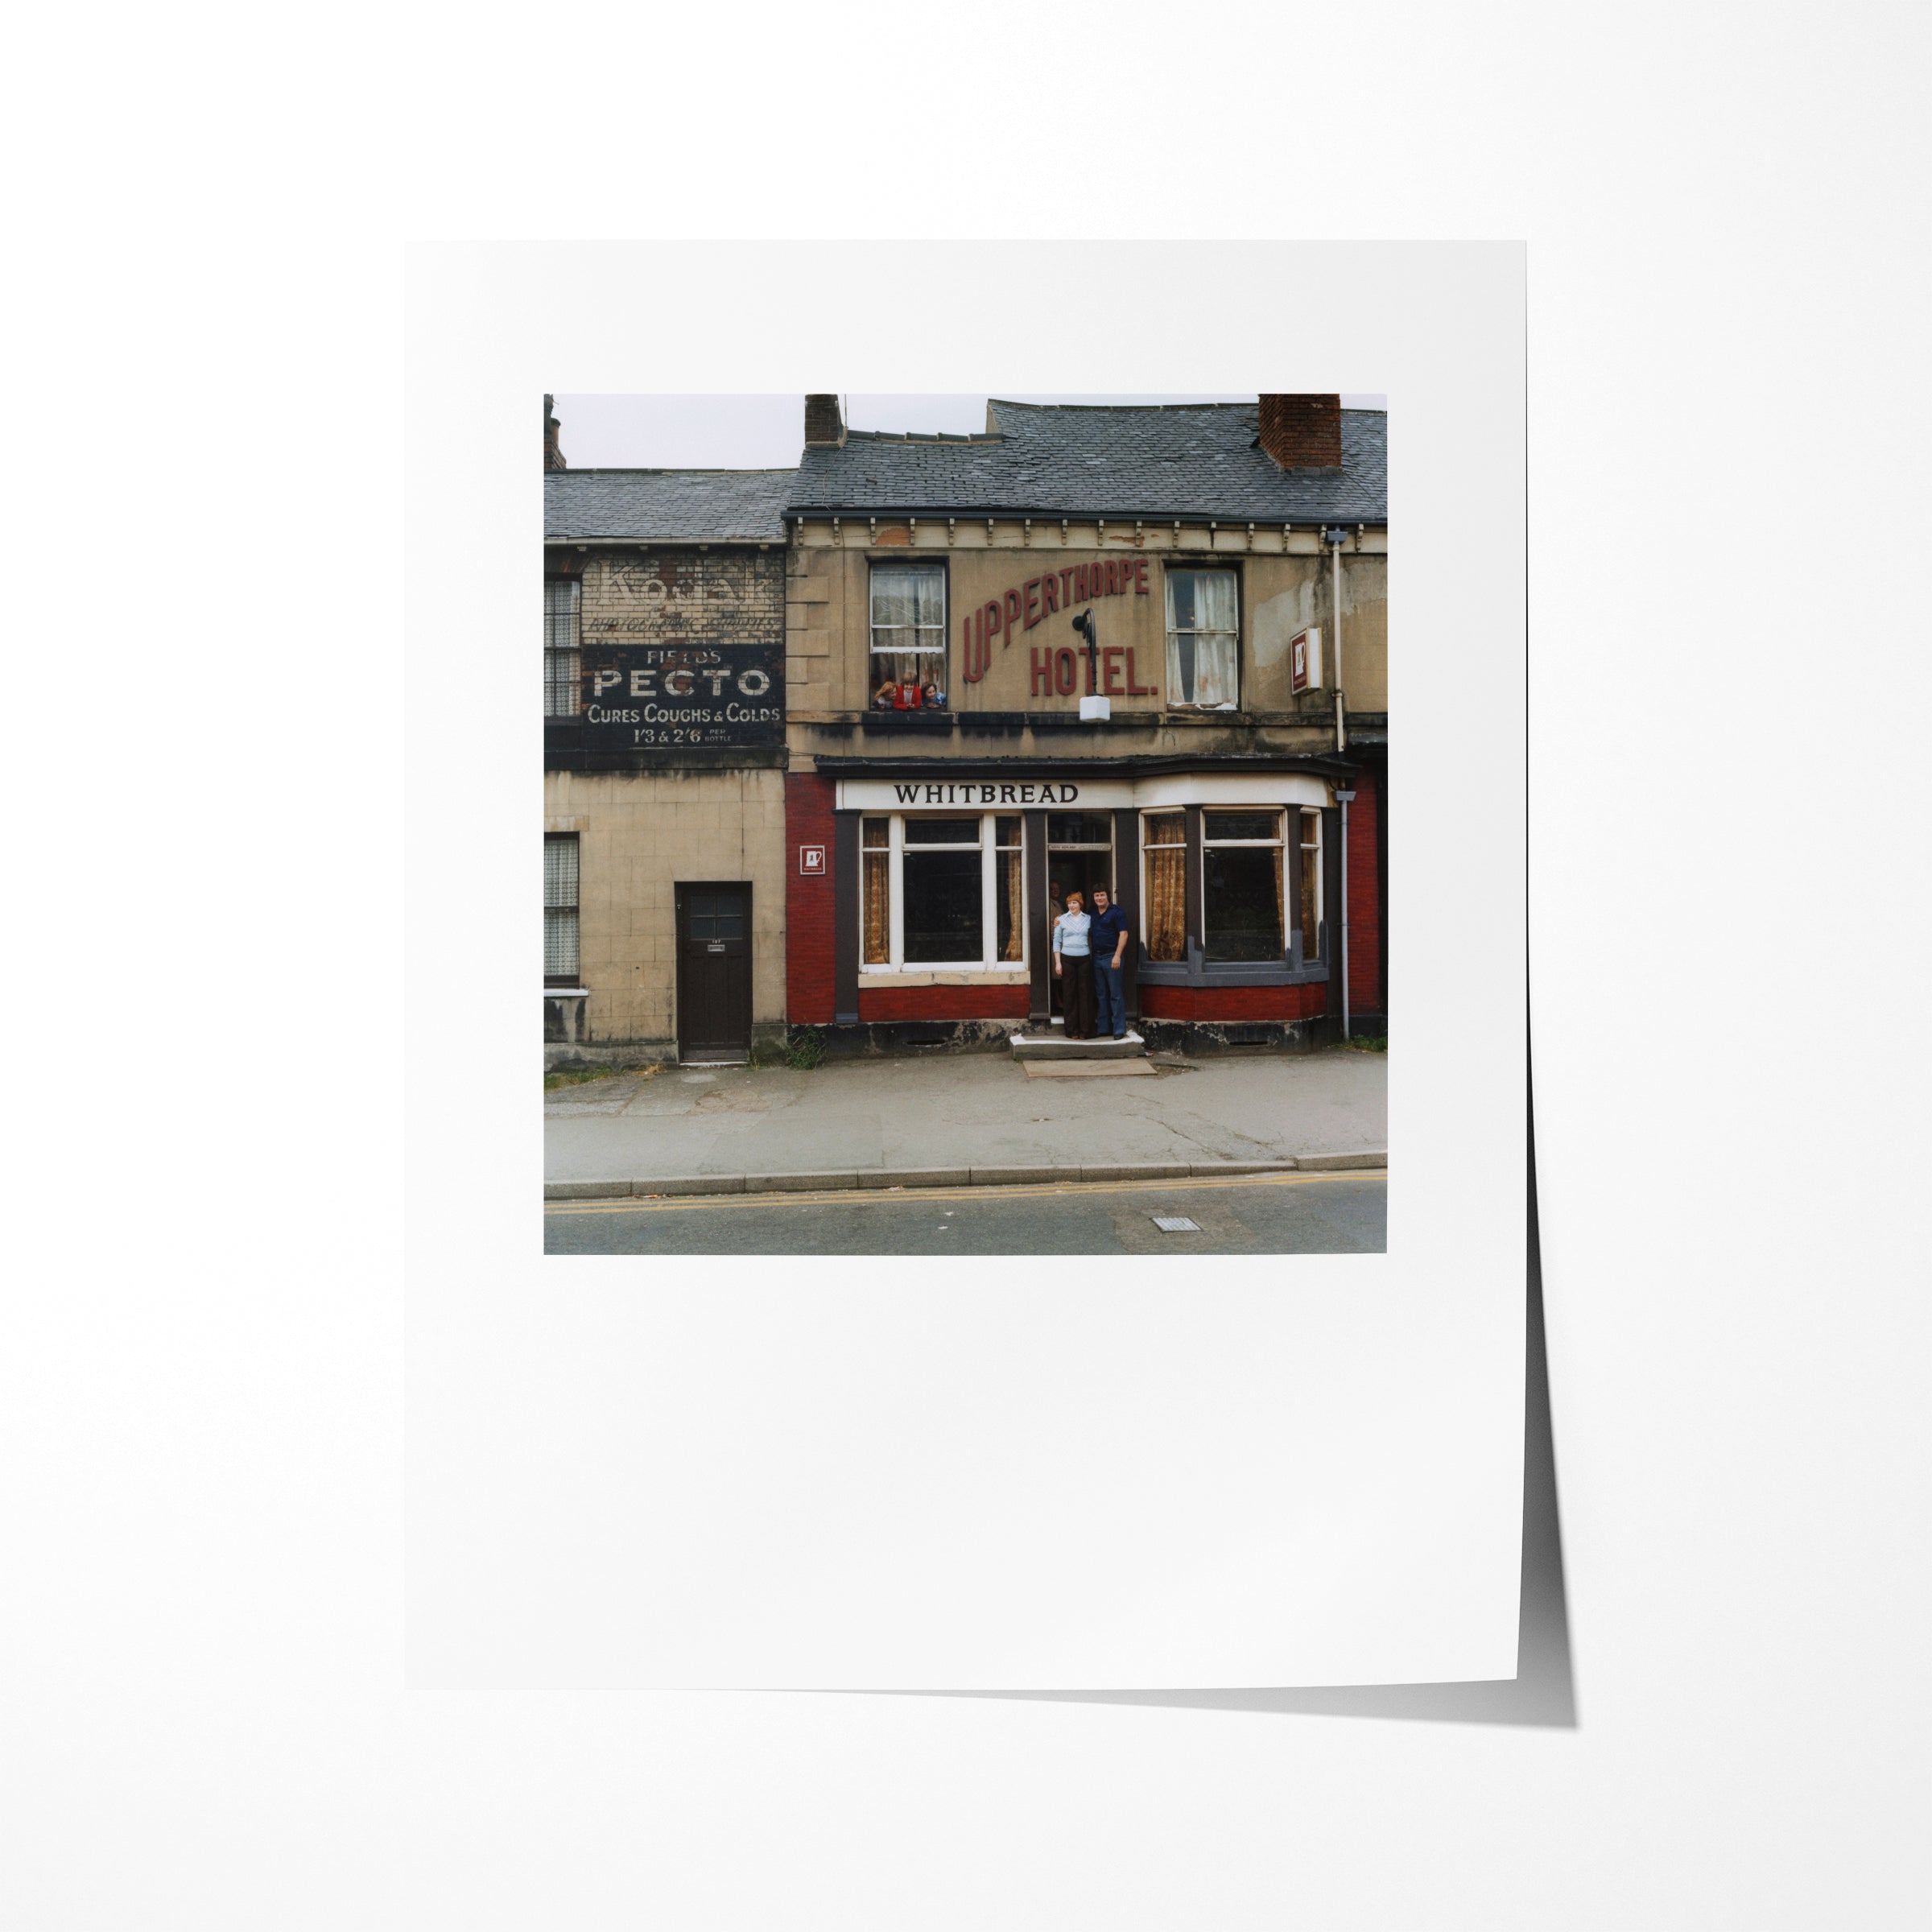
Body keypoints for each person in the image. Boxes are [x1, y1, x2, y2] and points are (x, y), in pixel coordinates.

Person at [1088, 885, 1130, 1039]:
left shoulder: (1116, 912)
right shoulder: (1092, 913)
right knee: (1101, 994)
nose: (1099, 898)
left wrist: (1117, 956)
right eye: (1097, 895)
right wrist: (1059, 920)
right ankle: (1104, 1028)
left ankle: (1119, 1029)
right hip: (1097, 958)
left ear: (1107, 896)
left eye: (1102, 895)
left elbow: (1124, 934)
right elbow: (1077, 920)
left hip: (1112, 957)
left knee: (1115, 994)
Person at [1051, 889, 1095, 1038]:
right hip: (1067, 959)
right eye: (1069, 903)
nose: (1072, 905)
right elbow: (1056, 942)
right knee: (1069, 995)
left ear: (1080, 904)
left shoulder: (1088, 919)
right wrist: (1058, 963)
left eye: (1074, 902)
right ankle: (1071, 1031)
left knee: (1085, 994)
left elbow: (1093, 938)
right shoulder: (1061, 919)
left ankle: (1085, 1031)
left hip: (1084, 959)